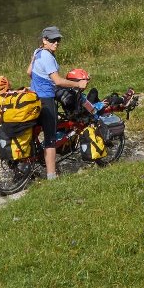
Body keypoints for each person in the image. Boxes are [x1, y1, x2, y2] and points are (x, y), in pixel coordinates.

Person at [28, 26, 92, 179]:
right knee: (50, 138)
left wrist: (40, 80)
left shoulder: (37, 52)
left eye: (58, 40)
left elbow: (29, 72)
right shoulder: (48, 57)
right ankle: (51, 176)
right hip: (45, 100)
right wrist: (78, 84)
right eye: (52, 40)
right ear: (44, 40)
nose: (56, 43)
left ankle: (30, 163)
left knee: (34, 132)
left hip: (33, 98)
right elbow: (57, 80)